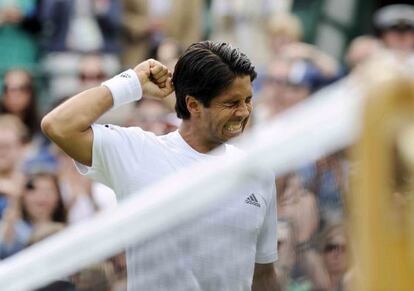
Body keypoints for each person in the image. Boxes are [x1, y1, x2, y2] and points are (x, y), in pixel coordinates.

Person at [42, 41, 279, 291]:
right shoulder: (137, 151)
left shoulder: (259, 173)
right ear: (193, 105)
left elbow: (263, 275)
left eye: (248, 100)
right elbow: (58, 125)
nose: (243, 112)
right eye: (231, 103)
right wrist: (132, 82)